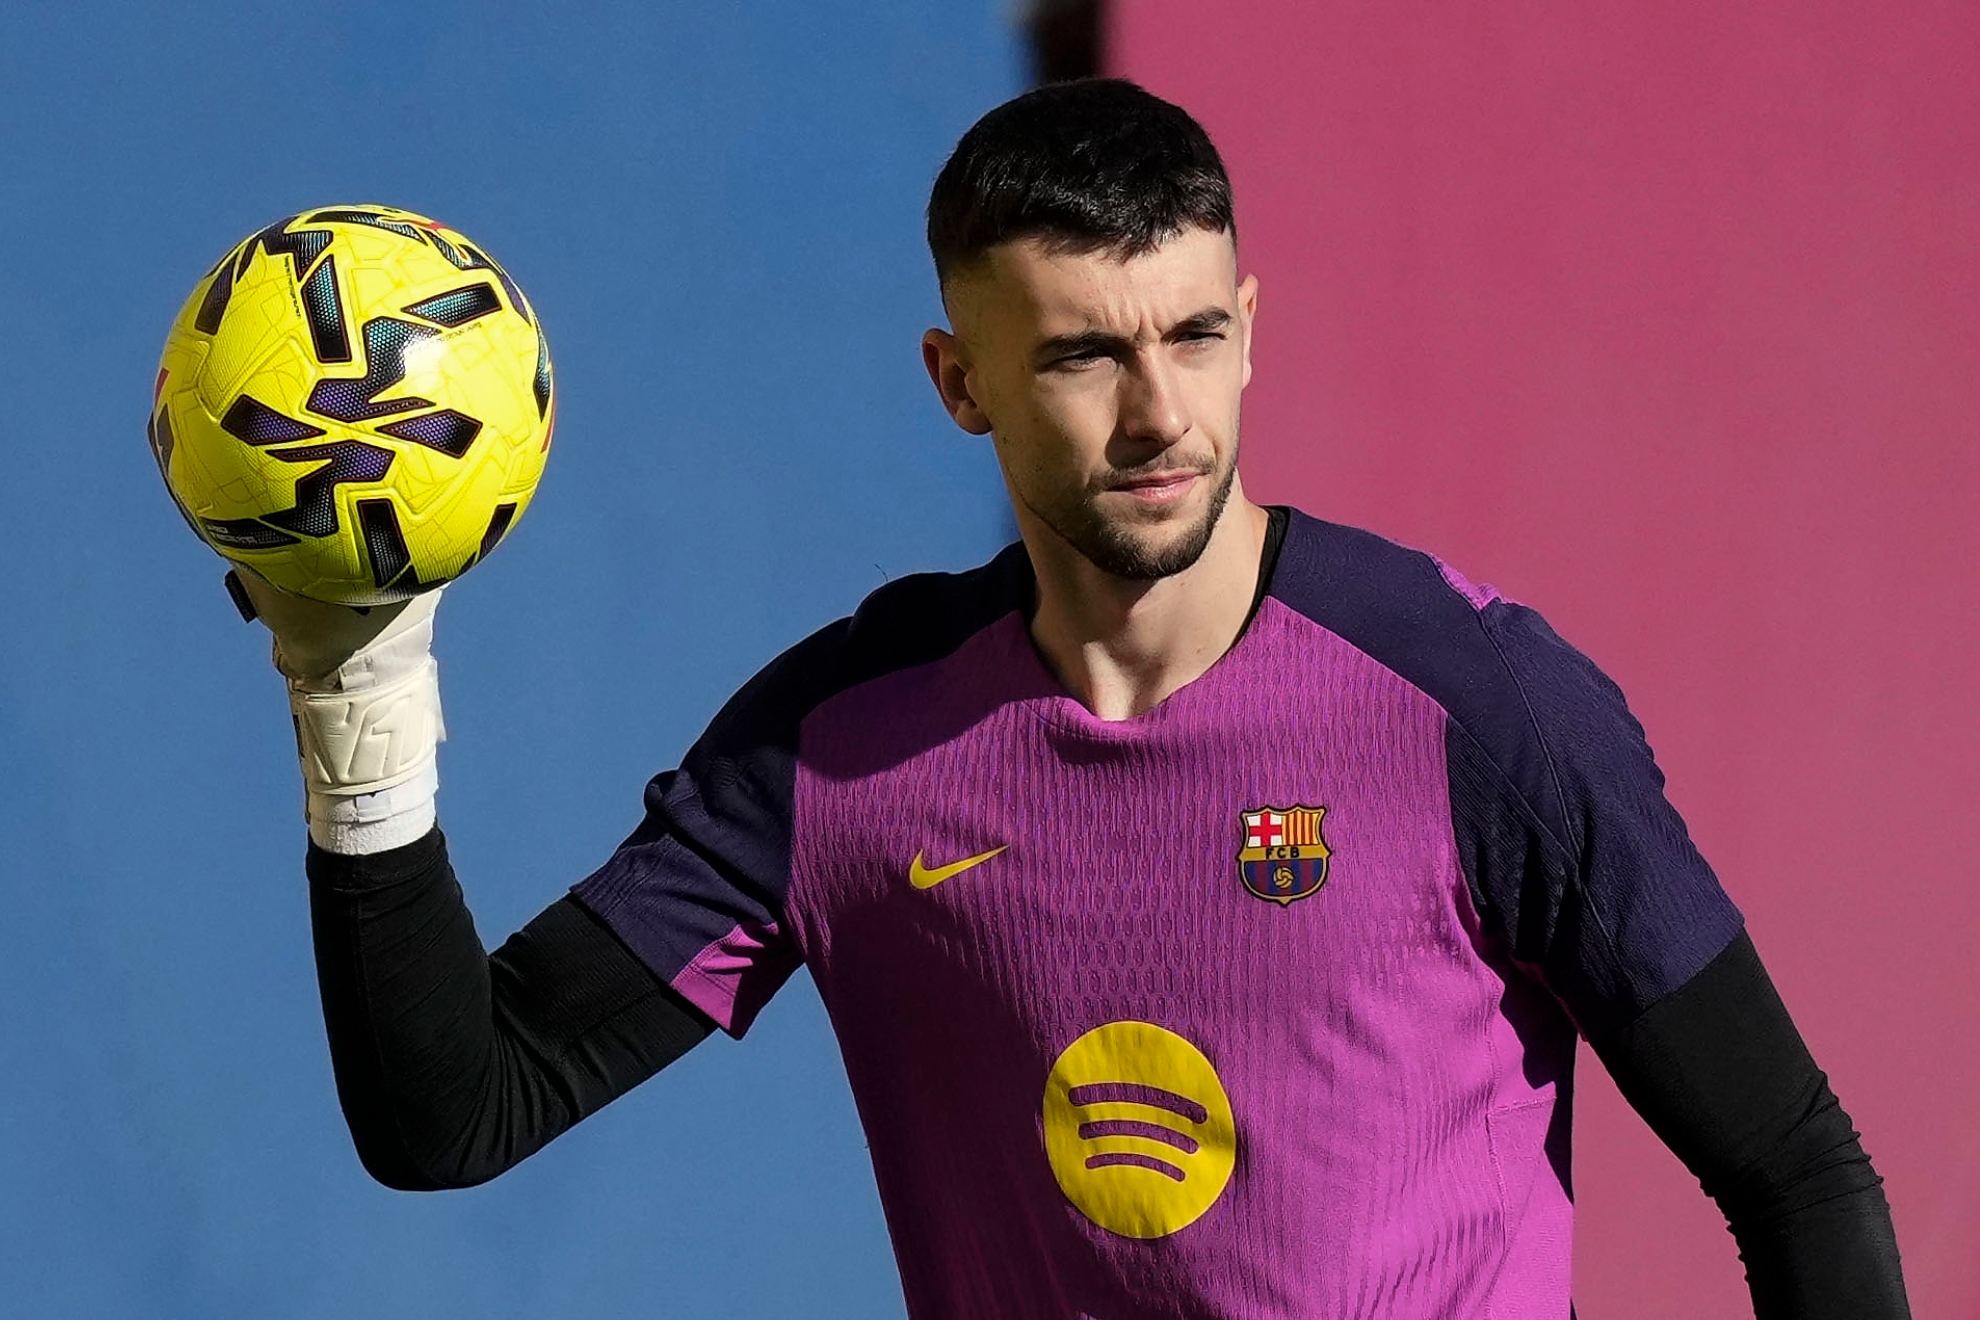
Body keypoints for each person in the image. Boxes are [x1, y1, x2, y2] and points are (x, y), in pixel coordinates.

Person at [231, 79, 1910, 1319]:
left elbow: (1797, 1175)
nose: (1159, 412)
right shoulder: (837, 747)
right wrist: (355, 691)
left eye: (1193, 334)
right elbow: (461, 1109)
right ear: (958, 384)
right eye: (1083, 355)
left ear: (1253, 329)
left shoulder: (1483, 707)